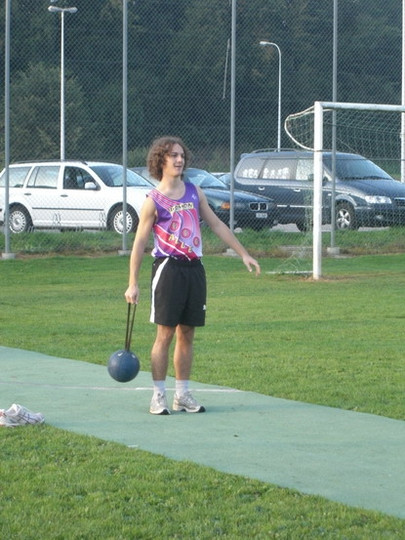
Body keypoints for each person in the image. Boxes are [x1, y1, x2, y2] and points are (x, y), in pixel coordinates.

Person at [125, 136, 260, 415]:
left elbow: (216, 224)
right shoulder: (153, 201)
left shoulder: (194, 192)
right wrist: (132, 283)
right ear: (160, 161)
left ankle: (182, 394)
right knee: (165, 334)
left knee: (187, 333)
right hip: (168, 269)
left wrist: (243, 253)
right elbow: (139, 243)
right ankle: (158, 395)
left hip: (194, 269)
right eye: (173, 155)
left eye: (181, 155)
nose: (179, 160)